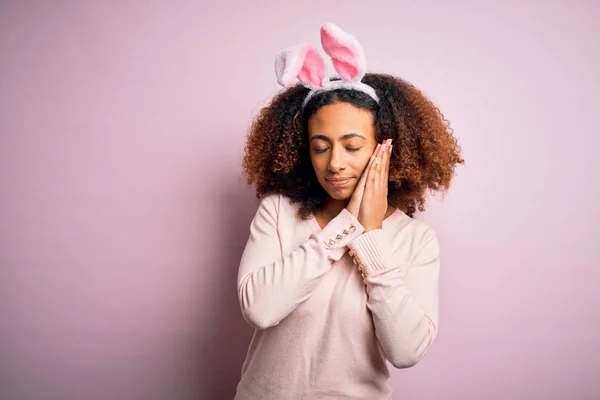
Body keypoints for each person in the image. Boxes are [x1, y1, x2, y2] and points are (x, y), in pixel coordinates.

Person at [234, 23, 464, 399]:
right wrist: (348, 226)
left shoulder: (416, 240)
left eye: (352, 146)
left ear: (386, 148)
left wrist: (371, 238)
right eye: (320, 146)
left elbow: (406, 351)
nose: (334, 163)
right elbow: (260, 309)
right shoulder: (278, 213)